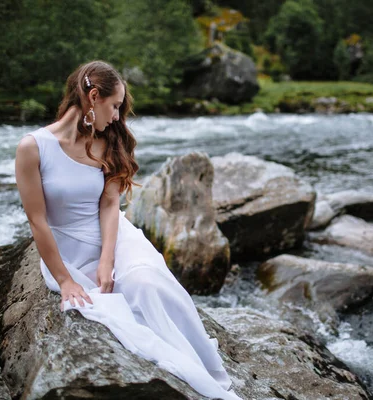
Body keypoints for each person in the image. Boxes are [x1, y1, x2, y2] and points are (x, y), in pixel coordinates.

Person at [15, 60, 241, 400]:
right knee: (108, 308)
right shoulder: (32, 147)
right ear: (93, 96)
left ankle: (205, 367)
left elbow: (109, 206)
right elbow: (37, 220)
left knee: (147, 284)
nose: (118, 116)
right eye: (116, 106)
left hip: (115, 236)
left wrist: (107, 259)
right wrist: (65, 280)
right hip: (68, 248)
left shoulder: (107, 143)